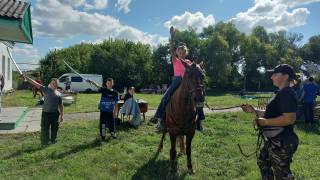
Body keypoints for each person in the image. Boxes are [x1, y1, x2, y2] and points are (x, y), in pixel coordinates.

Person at [241, 64, 299, 179]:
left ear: (285, 76)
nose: (272, 77)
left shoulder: (286, 93)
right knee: (263, 162)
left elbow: (290, 118)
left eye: (275, 74)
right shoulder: (280, 93)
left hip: (283, 141)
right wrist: (253, 110)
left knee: (282, 174)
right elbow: (271, 114)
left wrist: (266, 122)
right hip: (275, 140)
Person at [150, 43, 197, 132]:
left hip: (187, 82)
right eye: (179, 52)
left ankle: (199, 122)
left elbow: (194, 69)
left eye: (183, 52)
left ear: (186, 52)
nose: (181, 53)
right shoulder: (175, 60)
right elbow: (171, 50)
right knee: (165, 97)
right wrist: (171, 37)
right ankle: (159, 118)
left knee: (198, 97)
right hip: (177, 80)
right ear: (177, 53)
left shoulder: (189, 62)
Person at [24, 76, 64, 145]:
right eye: (53, 83)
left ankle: (54, 140)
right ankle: (44, 142)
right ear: (50, 84)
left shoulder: (59, 94)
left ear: (57, 85)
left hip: (55, 114)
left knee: (55, 128)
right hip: (46, 113)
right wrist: (26, 77)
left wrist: (62, 116)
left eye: (56, 84)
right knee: (45, 128)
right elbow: (35, 83)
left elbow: (61, 105)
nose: (54, 85)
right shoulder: (46, 89)